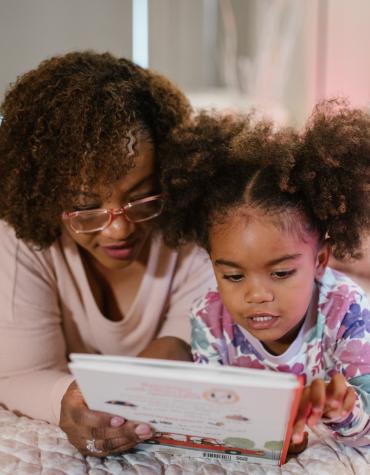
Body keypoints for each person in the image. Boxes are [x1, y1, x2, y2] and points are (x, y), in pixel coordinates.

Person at [0, 51, 215, 457]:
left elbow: (187, 344)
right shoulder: (21, 238)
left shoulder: (190, 222)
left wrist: (135, 383)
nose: (119, 228)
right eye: (85, 207)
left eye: (141, 198)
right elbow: (19, 373)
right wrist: (69, 397)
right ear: (45, 195)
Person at [160, 101, 370, 451]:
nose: (256, 294)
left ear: (320, 260)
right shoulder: (209, 318)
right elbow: (212, 414)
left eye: (281, 272)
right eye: (233, 276)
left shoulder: (347, 311)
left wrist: (341, 409)